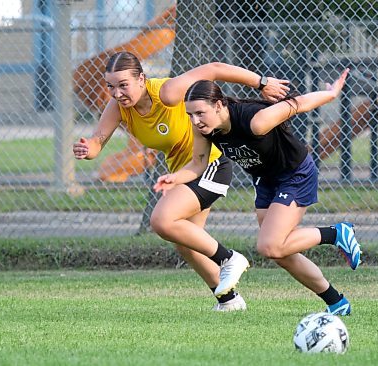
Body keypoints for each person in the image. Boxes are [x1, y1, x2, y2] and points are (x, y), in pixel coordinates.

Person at [73, 51, 290, 311]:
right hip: (181, 174)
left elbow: (214, 67)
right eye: (110, 86)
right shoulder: (118, 108)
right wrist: (88, 149)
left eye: (123, 85)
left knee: (162, 220)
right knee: (185, 244)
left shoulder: (167, 92)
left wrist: (262, 82)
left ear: (141, 79)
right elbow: (98, 140)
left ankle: (229, 258)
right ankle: (229, 301)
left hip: (210, 164)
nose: (117, 93)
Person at [153, 69, 361, 315]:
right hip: (265, 180)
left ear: (219, 105)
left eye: (200, 113)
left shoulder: (256, 121)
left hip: (295, 175)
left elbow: (298, 104)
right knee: (280, 252)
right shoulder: (205, 129)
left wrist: (331, 94)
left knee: (270, 246)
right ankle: (337, 302)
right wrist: (174, 178)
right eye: (190, 115)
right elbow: (198, 164)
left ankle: (336, 233)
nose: (195, 120)